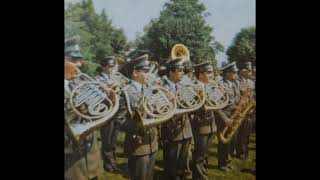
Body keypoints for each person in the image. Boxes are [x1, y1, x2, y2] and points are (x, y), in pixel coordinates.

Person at [117, 52, 159, 180]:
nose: (150, 74)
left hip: (152, 141)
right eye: (146, 71)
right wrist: (138, 126)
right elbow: (120, 120)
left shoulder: (149, 88)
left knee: (149, 176)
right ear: (135, 73)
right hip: (138, 144)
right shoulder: (126, 92)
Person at [64, 37, 100, 180]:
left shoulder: (81, 82)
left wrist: (110, 96)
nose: (79, 64)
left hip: (91, 158)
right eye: (74, 60)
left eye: (79, 59)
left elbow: (97, 111)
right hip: (71, 163)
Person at [161, 58, 193, 180]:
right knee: (172, 166)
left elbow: (191, 104)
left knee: (183, 164)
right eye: (180, 70)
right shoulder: (162, 86)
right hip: (172, 131)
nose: (183, 73)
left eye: (183, 70)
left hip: (186, 129)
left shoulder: (183, 85)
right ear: (171, 72)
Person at [190, 62, 217, 180]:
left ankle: (203, 174)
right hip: (200, 124)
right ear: (200, 74)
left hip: (211, 124)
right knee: (199, 155)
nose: (212, 74)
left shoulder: (210, 85)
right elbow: (192, 106)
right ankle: (199, 177)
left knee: (206, 154)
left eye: (212, 72)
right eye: (209, 72)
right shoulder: (194, 87)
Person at [95, 56, 122, 172]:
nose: (112, 68)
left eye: (113, 66)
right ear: (103, 67)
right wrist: (109, 88)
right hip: (106, 113)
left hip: (116, 112)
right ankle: (108, 164)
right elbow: (98, 95)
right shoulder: (98, 79)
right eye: (110, 66)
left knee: (114, 140)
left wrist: (119, 87)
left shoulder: (115, 78)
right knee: (107, 140)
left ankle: (113, 161)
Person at [215, 61, 241, 171]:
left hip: (233, 116)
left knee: (232, 140)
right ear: (227, 73)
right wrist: (224, 118)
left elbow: (236, 100)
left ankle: (228, 160)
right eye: (234, 72)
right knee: (223, 142)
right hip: (224, 117)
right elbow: (216, 105)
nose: (236, 74)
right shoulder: (220, 85)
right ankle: (222, 164)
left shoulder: (235, 83)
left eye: (236, 72)